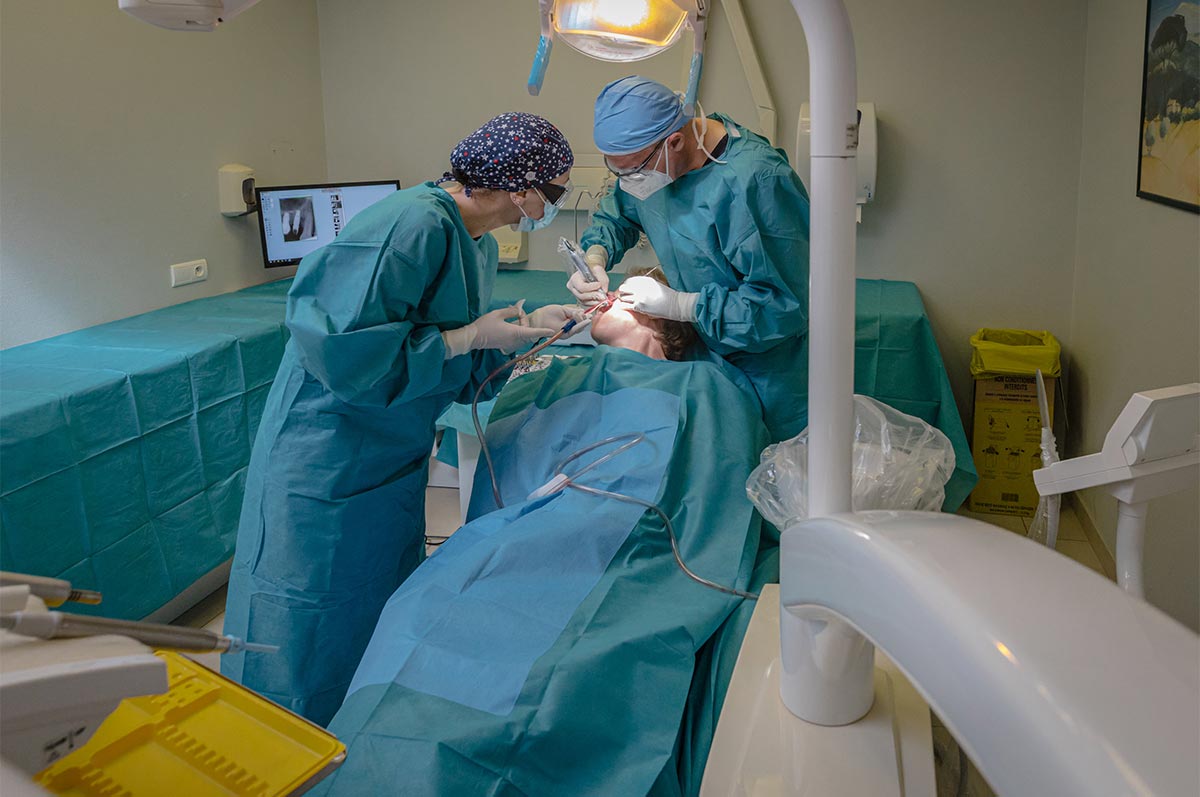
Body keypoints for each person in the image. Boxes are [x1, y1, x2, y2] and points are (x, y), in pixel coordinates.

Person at [222, 112, 581, 725]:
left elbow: (440, 344)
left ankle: (355, 725)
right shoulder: (411, 224)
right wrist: (468, 338)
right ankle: (279, 733)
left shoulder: (475, 242)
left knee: (373, 593)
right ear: (518, 186)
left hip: (392, 447)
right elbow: (342, 350)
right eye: (553, 193)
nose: (552, 206)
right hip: (328, 447)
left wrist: (518, 330)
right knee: (305, 604)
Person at [569, 75, 812, 441]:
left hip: (767, 370)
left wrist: (683, 306)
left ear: (675, 142)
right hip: (702, 362)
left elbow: (783, 305)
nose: (628, 181)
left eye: (632, 171)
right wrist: (595, 255)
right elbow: (619, 213)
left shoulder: (756, 181)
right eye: (617, 171)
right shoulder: (653, 166)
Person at [589, 267, 700, 361]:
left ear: (655, 313)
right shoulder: (584, 371)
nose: (609, 294)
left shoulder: (694, 376)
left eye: (625, 294)